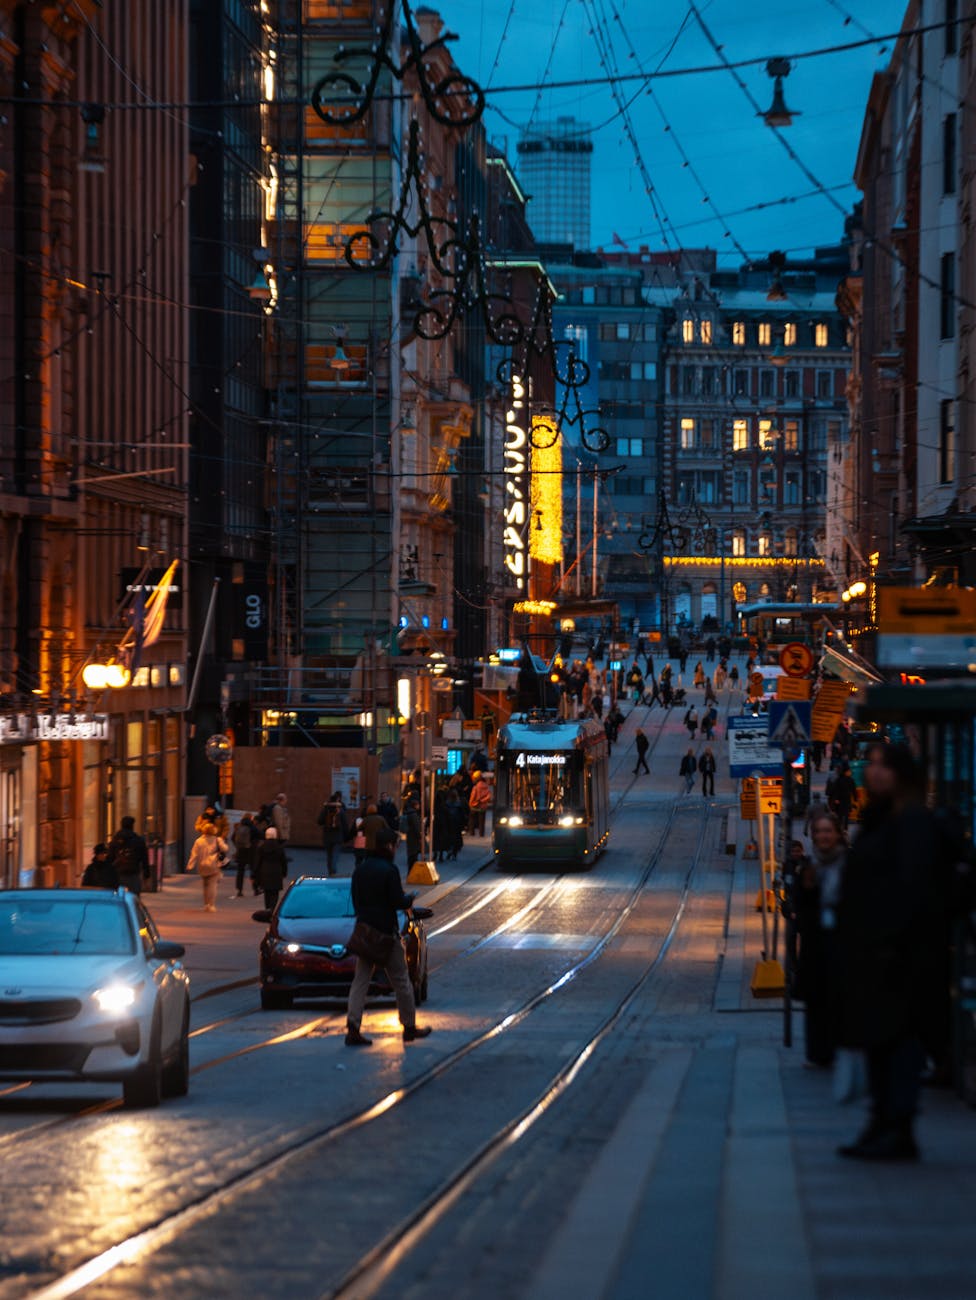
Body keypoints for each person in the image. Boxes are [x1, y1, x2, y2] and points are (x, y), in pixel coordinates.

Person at [834, 744, 947, 1162]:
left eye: (884, 765)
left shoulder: (913, 821)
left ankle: (897, 1127)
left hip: (898, 957)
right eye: (873, 763)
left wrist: (888, 941)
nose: (873, 771)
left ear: (902, 774)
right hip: (873, 955)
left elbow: (911, 889)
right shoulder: (882, 816)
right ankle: (881, 1122)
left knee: (898, 1042)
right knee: (878, 1043)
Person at [345, 826, 431, 1047]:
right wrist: (409, 899)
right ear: (389, 846)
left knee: (360, 981)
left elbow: (355, 900)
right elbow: (396, 902)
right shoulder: (389, 870)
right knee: (402, 981)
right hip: (385, 935)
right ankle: (409, 1028)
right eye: (395, 845)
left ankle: (353, 1028)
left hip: (365, 933)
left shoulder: (361, 869)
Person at [793, 815, 845, 1069]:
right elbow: (797, 905)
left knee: (840, 997)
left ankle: (839, 1048)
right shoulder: (807, 865)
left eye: (828, 831)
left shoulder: (848, 863)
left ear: (837, 834)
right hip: (815, 944)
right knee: (816, 999)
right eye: (820, 832)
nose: (824, 836)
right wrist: (807, 888)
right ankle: (818, 1052)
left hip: (842, 942)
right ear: (813, 836)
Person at [186, 823, 227, 912]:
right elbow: (225, 849)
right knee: (212, 885)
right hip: (214, 865)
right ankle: (211, 905)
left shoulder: (198, 841)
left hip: (202, 865)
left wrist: (190, 864)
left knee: (205, 885)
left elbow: (194, 854)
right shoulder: (217, 839)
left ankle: (206, 904)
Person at [106, 816, 150, 895]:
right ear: (132, 826)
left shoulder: (115, 841)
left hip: (118, 875)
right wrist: (146, 877)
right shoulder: (138, 840)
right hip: (133, 875)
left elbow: (109, 859)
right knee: (133, 899)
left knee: (118, 899)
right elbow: (145, 860)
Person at [254, 825, 288, 912]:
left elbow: (258, 862)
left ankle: (267, 908)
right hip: (276, 871)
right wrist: (284, 872)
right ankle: (272, 909)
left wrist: (255, 874)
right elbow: (283, 861)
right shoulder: (279, 847)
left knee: (267, 892)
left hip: (264, 871)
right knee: (275, 892)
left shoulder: (261, 847)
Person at [317, 791, 346, 877]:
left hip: (327, 836)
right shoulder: (340, 810)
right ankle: (333, 870)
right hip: (338, 836)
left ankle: (330, 871)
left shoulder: (325, 809)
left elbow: (319, 821)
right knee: (335, 854)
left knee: (329, 855)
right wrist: (346, 835)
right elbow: (345, 824)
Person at [826, 762, 858, 829]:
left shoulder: (839, 779)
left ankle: (840, 826)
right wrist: (855, 798)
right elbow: (853, 789)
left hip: (840, 800)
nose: (850, 772)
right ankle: (844, 827)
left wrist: (836, 799)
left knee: (840, 813)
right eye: (849, 771)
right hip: (846, 799)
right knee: (845, 814)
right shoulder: (850, 780)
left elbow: (835, 790)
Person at [231, 814, 256, 898]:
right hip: (250, 851)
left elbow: (232, 838)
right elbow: (259, 835)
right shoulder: (252, 827)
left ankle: (239, 890)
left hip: (240, 851)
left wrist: (238, 846)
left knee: (240, 871)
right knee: (253, 870)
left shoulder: (239, 827)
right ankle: (255, 889)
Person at [468, 771, 492, 837]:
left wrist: (470, 803)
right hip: (483, 806)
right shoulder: (486, 787)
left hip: (474, 806)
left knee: (472, 819)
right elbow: (489, 796)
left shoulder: (475, 787)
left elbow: (473, 796)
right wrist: (483, 800)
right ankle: (481, 833)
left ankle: (472, 832)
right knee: (482, 821)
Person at [400, 796, 422, 868]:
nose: (419, 806)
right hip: (414, 837)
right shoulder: (414, 815)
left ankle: (411, 870)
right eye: (418, 805)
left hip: (410, 835)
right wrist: (420, 836)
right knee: (413, 855)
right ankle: (412, 871)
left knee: (411, 853)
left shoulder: (409, 813)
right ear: (415, 805)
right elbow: (416, 827)